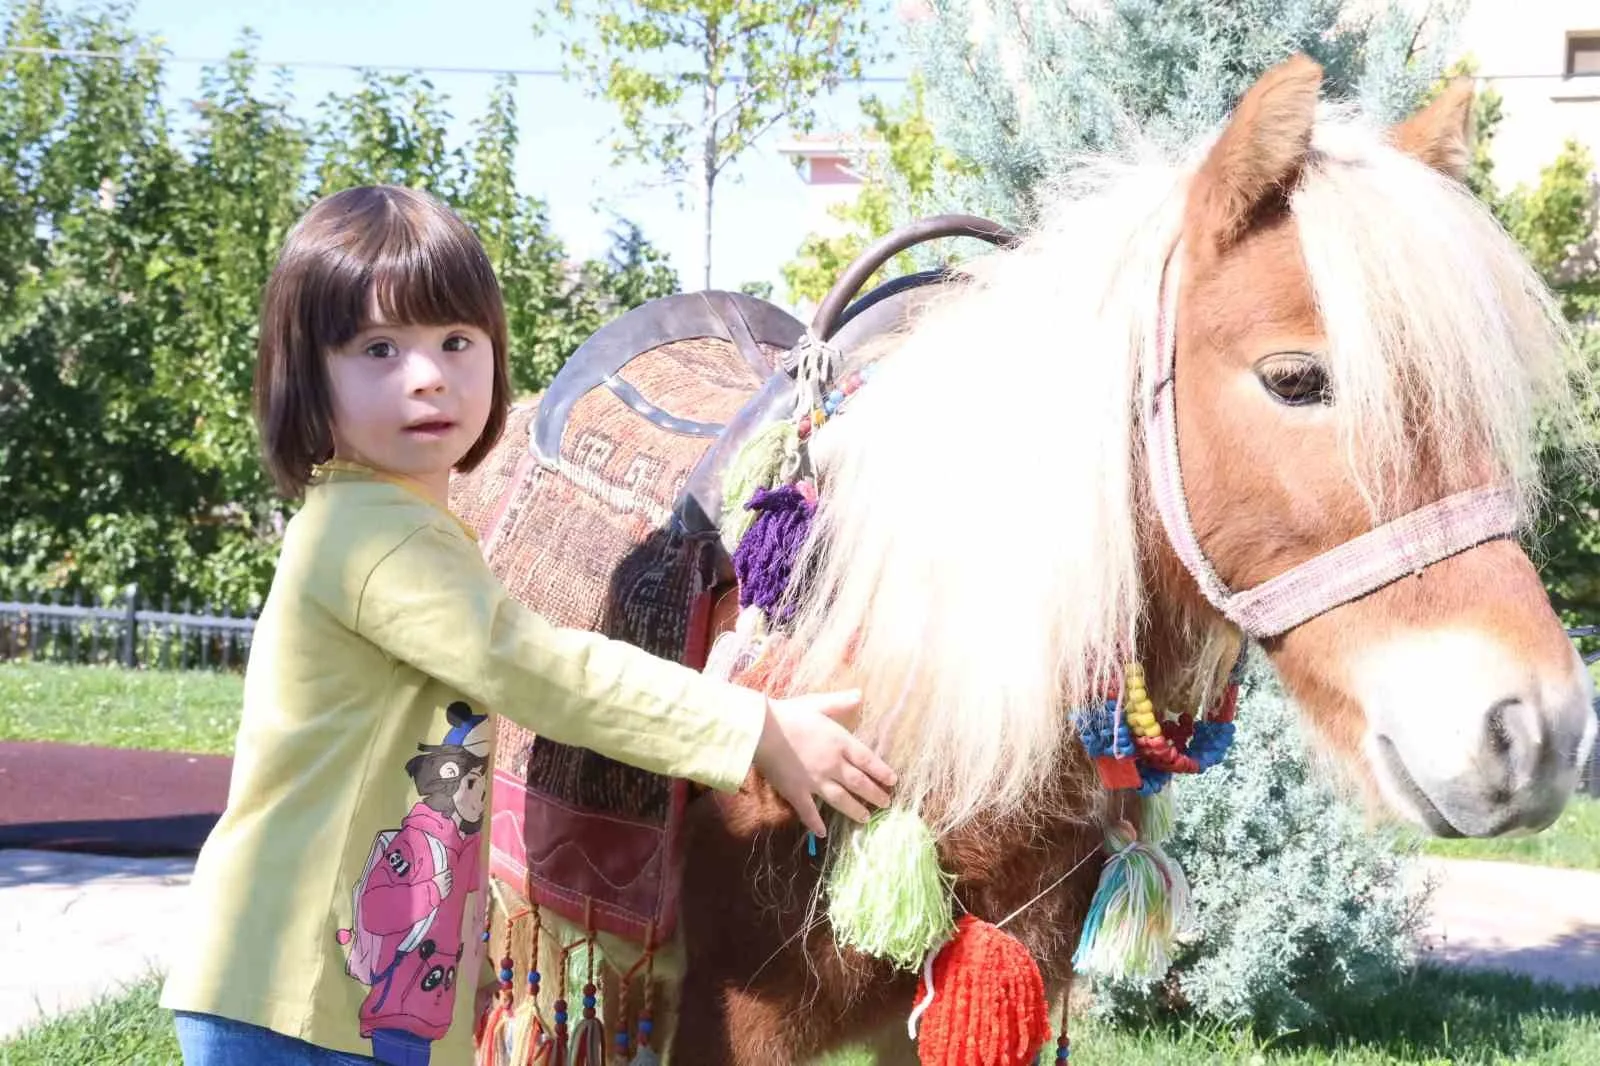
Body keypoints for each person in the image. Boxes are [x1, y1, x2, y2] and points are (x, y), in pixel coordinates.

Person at [160, 184, 895, 1066]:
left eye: (455, 342)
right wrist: (754, 727)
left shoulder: (402, 521)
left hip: (356, 985)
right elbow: (535, 666)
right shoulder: (373, 542)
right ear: (304, 381)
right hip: (292, 992)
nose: (427, 374)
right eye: (379, 348)